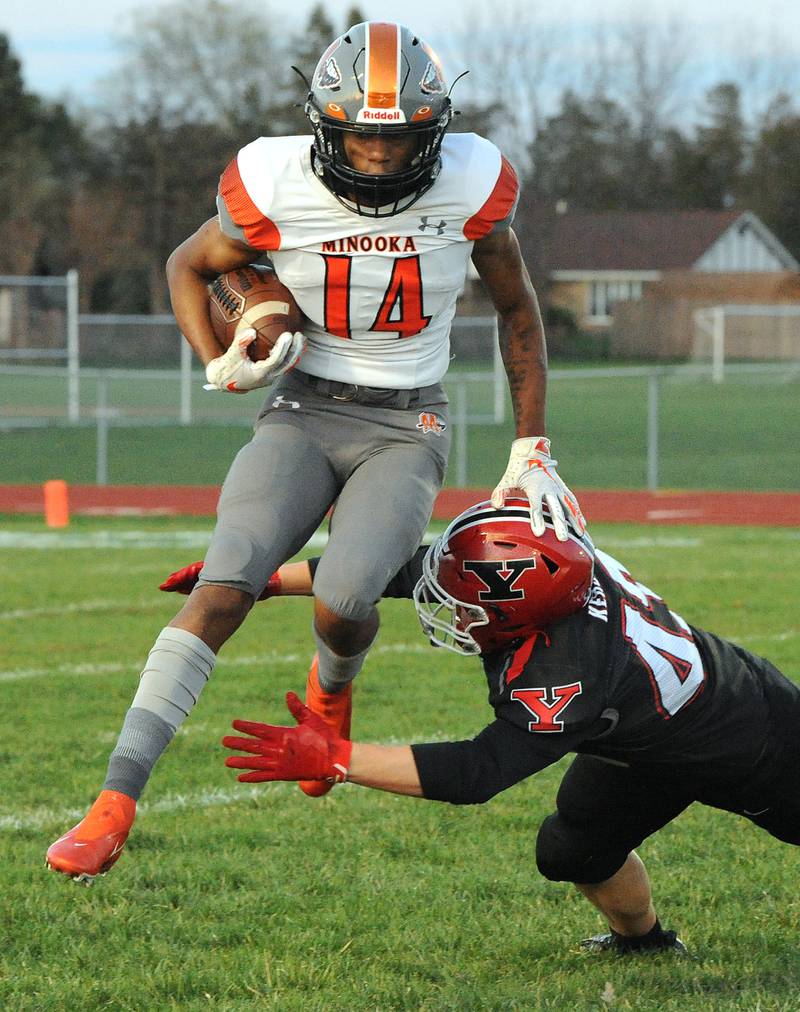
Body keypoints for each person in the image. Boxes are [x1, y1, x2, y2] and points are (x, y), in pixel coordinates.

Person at [45, 21, 584, 882]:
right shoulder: (272, 178)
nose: (376, 157)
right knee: (227, 586)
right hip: (302, 409)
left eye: (398, 136)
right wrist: (217, 355)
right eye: (361, 135)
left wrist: (530, 441)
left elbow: (519, 313)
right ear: (324, 125)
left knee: (344, 597)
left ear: (434, 128)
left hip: (407, 424)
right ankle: (113, 802)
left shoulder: (475, 186)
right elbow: (191, 263)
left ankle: (332, 688)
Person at [219, 498, 800, 955]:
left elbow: (479, 770)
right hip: (644, 733)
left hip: (753, 739)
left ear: (520, 613)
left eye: (466, 604)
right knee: (573, 848)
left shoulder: (562, 670)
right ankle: (644, 943)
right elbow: (409, 569)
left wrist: (337, 758)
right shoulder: (552, 575)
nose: (452, 608)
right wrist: (260, 582)